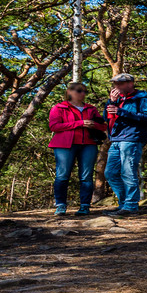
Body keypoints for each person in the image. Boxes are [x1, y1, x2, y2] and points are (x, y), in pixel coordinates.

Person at [102, 73, 147, 216]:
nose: (116, 86)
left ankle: (131, 206)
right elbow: (105, 117)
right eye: (115, 83)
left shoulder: (142, 98)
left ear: (130, 83)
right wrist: (111, 102)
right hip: (115, 139)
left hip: (132, 138)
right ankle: (124, 204)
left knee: (128, 171)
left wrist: (122, 112)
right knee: (110, 173)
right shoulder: (117, 99)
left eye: (120, 83)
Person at [47, 82, 106, 216]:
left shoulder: (91, 109)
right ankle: (61, 205)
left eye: (85, 91)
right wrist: (79, 123)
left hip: (89, 144)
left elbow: (103, 126)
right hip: (64, 145)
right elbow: (54, 126)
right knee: (62, 176)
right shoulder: (59, 108)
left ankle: (85, 206)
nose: (83, 94)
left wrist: (94, 125)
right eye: (79, 91)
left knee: (86, 176)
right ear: (69, 92)